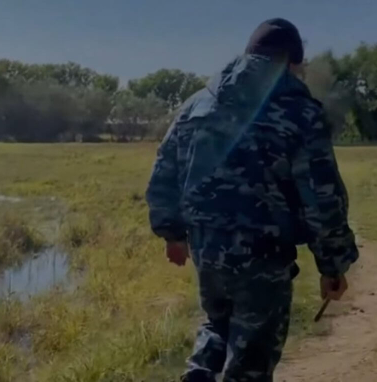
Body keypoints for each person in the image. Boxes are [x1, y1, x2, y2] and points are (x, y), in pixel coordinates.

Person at [146, 18, 359, 382]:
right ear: (292, 63)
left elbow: (165, 170)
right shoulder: (300, 111)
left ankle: (198, 375)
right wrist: (332, 265)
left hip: (208, 249)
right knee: (251, 359)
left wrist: (172, 232)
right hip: (264, 258)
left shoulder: (197, 104)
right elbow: (322, 199)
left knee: (217, 323)